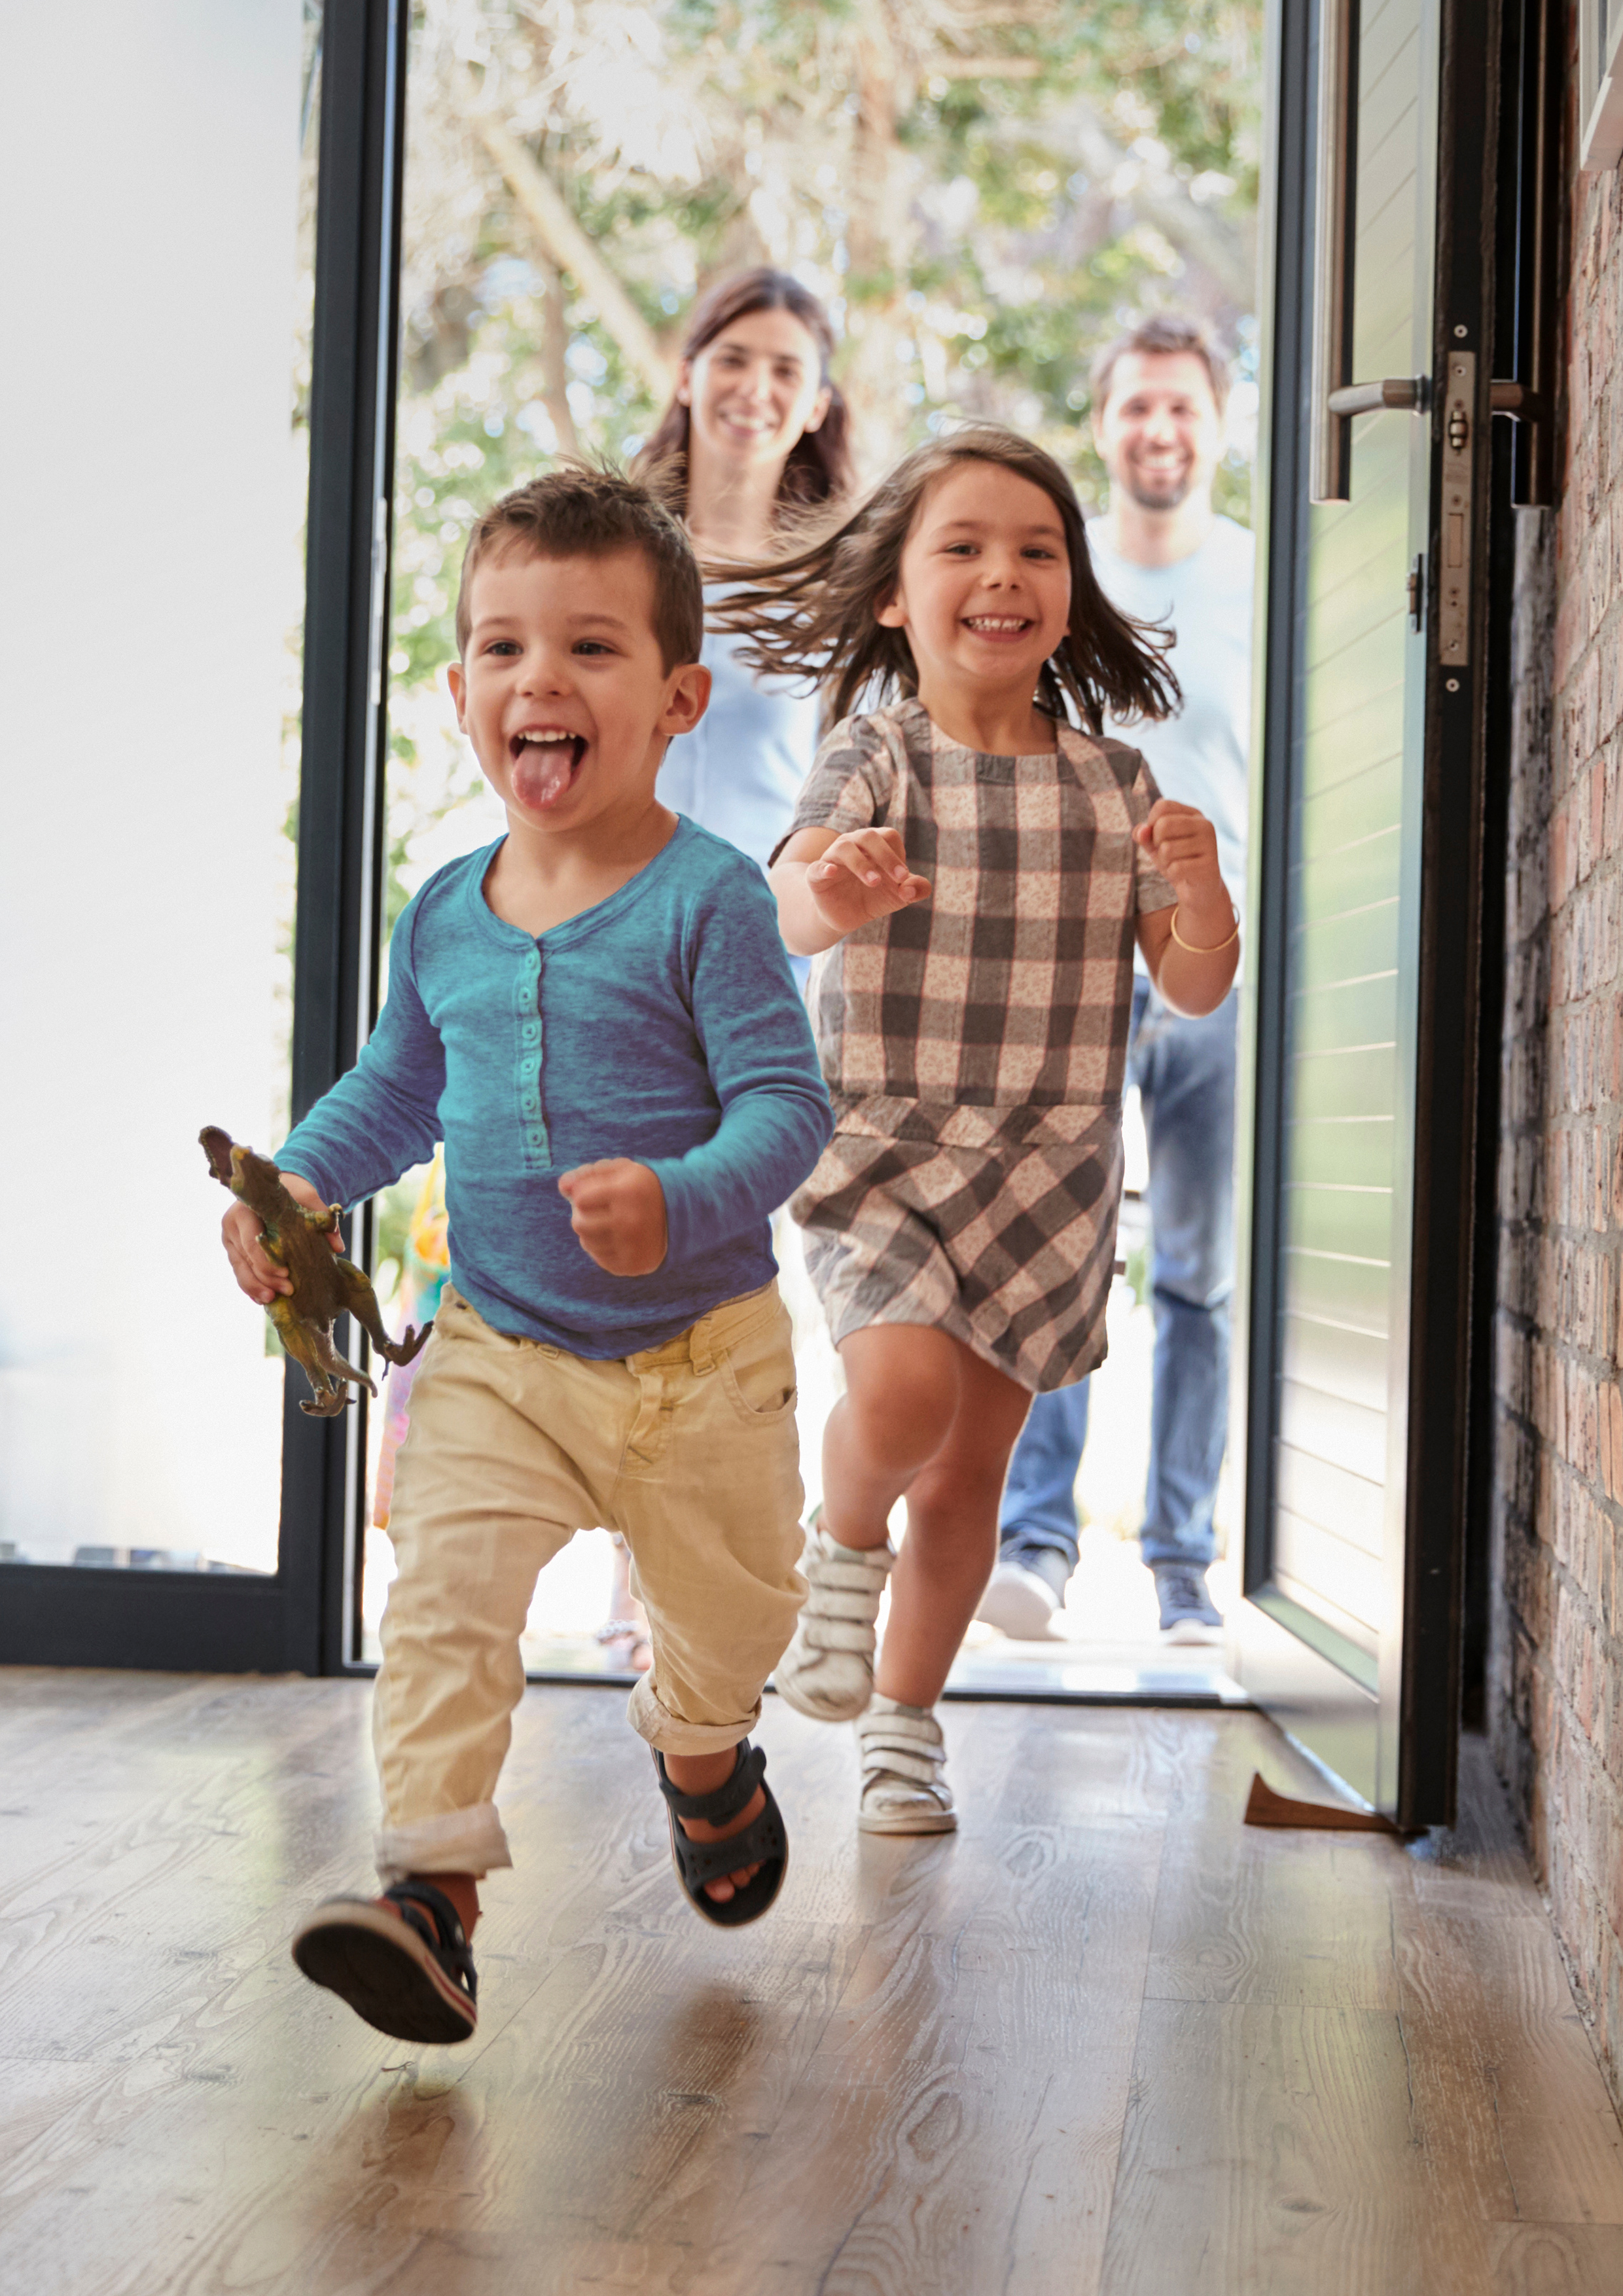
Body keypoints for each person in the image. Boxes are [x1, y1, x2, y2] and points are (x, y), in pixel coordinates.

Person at [217, 467, 833, 2043]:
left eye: (591, 650)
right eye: (503, 649)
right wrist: (294, 1187)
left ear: (679, 698)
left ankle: (702, 1754)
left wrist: (684, 1193)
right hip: (500, 1347)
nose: (539, 681)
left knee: (734, 1622)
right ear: (460, 692)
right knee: (440, 1595)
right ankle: (432, 1895)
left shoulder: (712, 903)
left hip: (702, 1361)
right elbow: (397, 1092)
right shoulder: (444, 915)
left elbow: (788, 1105)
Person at [717, 427, 1238, 1833]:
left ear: (1071, 586)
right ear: (893, 592)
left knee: (968, 1477)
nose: (1000, 573)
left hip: (1051, 1176)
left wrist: (1200, 891)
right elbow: (784, 906)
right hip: (886, 1154)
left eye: (1034, 548)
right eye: (961, 546)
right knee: (898, 1400)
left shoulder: (1117, 784)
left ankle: (904, 1721)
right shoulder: (873, 754)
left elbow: (1191, 981)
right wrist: (838, 883)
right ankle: (839, 1549)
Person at [578, 272, 855, 1674]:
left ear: (816, 403)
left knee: (721, 1253)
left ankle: (710, 1572)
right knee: (625, 1248)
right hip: (606, 920)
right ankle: (640, 1575)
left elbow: (844, 772)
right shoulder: (622, 547)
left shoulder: (836, 579)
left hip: (748, 942)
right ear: (689, 373)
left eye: (786, 368)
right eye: (733, 357)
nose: (756, 387)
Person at [976, 315, 1253, 1649]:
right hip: (1073, 965)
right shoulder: (1057, 586)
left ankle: (1183, 1564)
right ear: (1104, 422)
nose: (1160, 429)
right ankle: (1035, 1544)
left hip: (1211, 967)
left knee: (1197, 1270)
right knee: (1058, 1254)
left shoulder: (1266, 581)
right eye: (1136, 406)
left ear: (1219, 423)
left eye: (1182, 407)